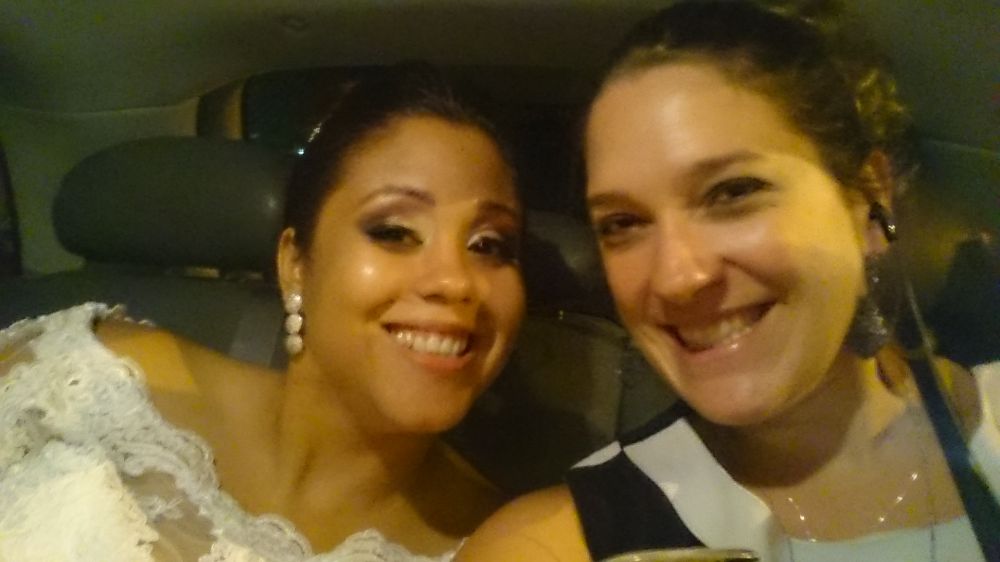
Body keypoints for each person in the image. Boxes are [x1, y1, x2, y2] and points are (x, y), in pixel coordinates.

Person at [457, 1, 999, 561]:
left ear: (867, 200)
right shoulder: (549, 545)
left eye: (732, 192)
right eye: (623, 224)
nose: (678, 278)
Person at [0, 64, 525, 561]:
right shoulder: (88, 381)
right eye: (394, 232)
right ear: (295, 264)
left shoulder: (515, 544)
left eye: (489, 245)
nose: (457, 281)